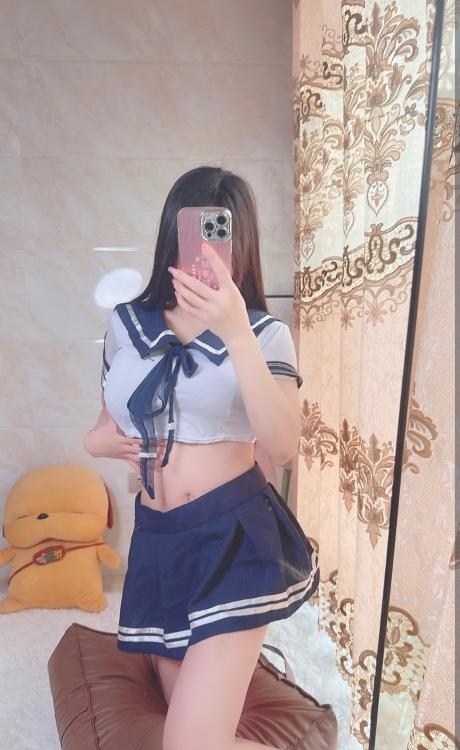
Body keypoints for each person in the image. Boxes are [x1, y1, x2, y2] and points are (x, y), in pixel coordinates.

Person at [84, 166, 320, 750]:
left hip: (233, 538)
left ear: (243, 245)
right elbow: (104, 425)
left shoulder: (264, 334)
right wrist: (96, 444)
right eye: (196, 232)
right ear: (174, 233)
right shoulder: (126, 325)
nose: (207, 252)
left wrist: (237, 335)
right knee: (192, 730)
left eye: (222, 235)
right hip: (159, 541)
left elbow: (283, 447)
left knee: (188, 743)